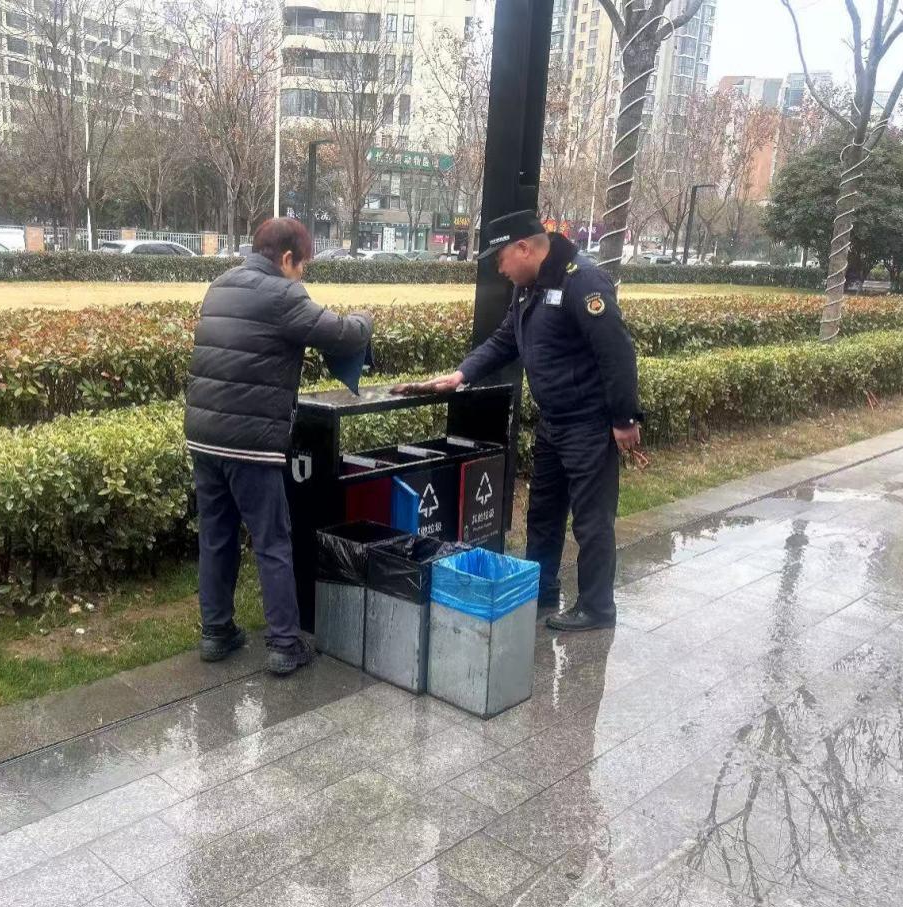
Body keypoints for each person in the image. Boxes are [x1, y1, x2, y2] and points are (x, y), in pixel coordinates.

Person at [397, 210, 642, 632]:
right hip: (553, 423)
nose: (500, 269)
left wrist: (624, 418)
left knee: (591, 521)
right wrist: (461, 374)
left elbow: (616, 352)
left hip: (588, 424)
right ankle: (541, 590)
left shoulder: (582, 281)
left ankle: (597, 607)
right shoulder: (528, 288)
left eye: (501, 259)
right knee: (543, 513)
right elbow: (506, 339)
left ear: (524, 248)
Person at [184, 218, 373, 674]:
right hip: (251, 444)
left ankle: (216, 633)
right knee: (272, 540)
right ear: (287, 258)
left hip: (204, 437)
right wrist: (365, 318)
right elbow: (341, 333)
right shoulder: (283, 294)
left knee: (216, 535)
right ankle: (285, 644)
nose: (302, 274)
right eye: (302, 265)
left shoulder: (220, 285)